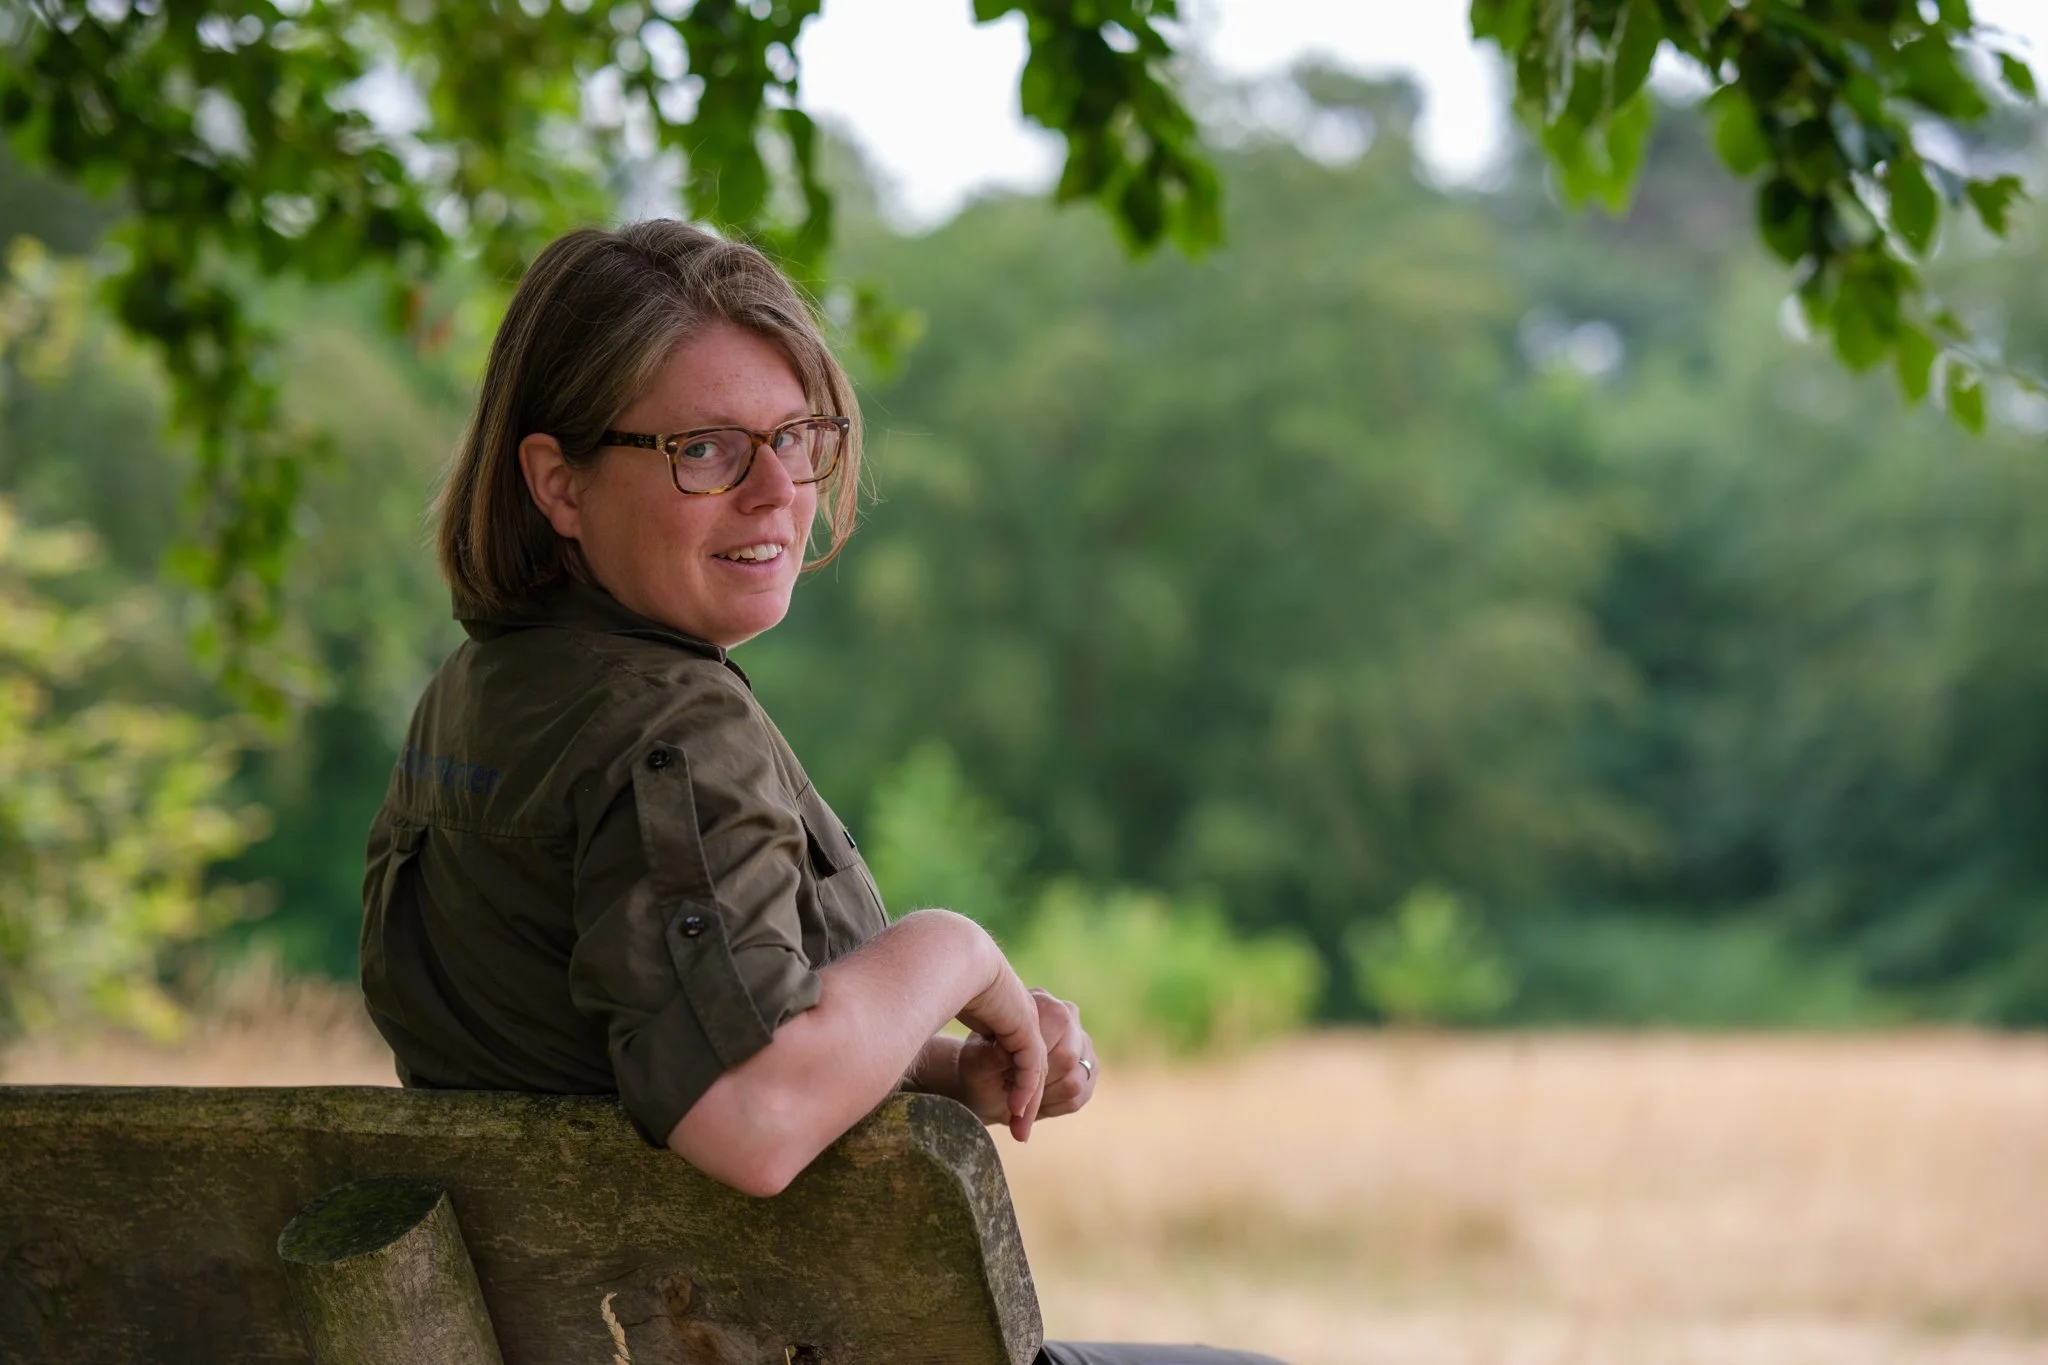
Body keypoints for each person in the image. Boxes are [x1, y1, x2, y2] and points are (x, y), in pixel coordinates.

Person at [361, 219, 1286, 1365]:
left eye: (795, 438)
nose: (774, 493)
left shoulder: (474, 696)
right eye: (703, 448)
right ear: (557, 481)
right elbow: (752, 1120)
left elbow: (617, 1049)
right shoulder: (673, 728)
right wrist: (951, 953)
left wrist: (935, 1065)